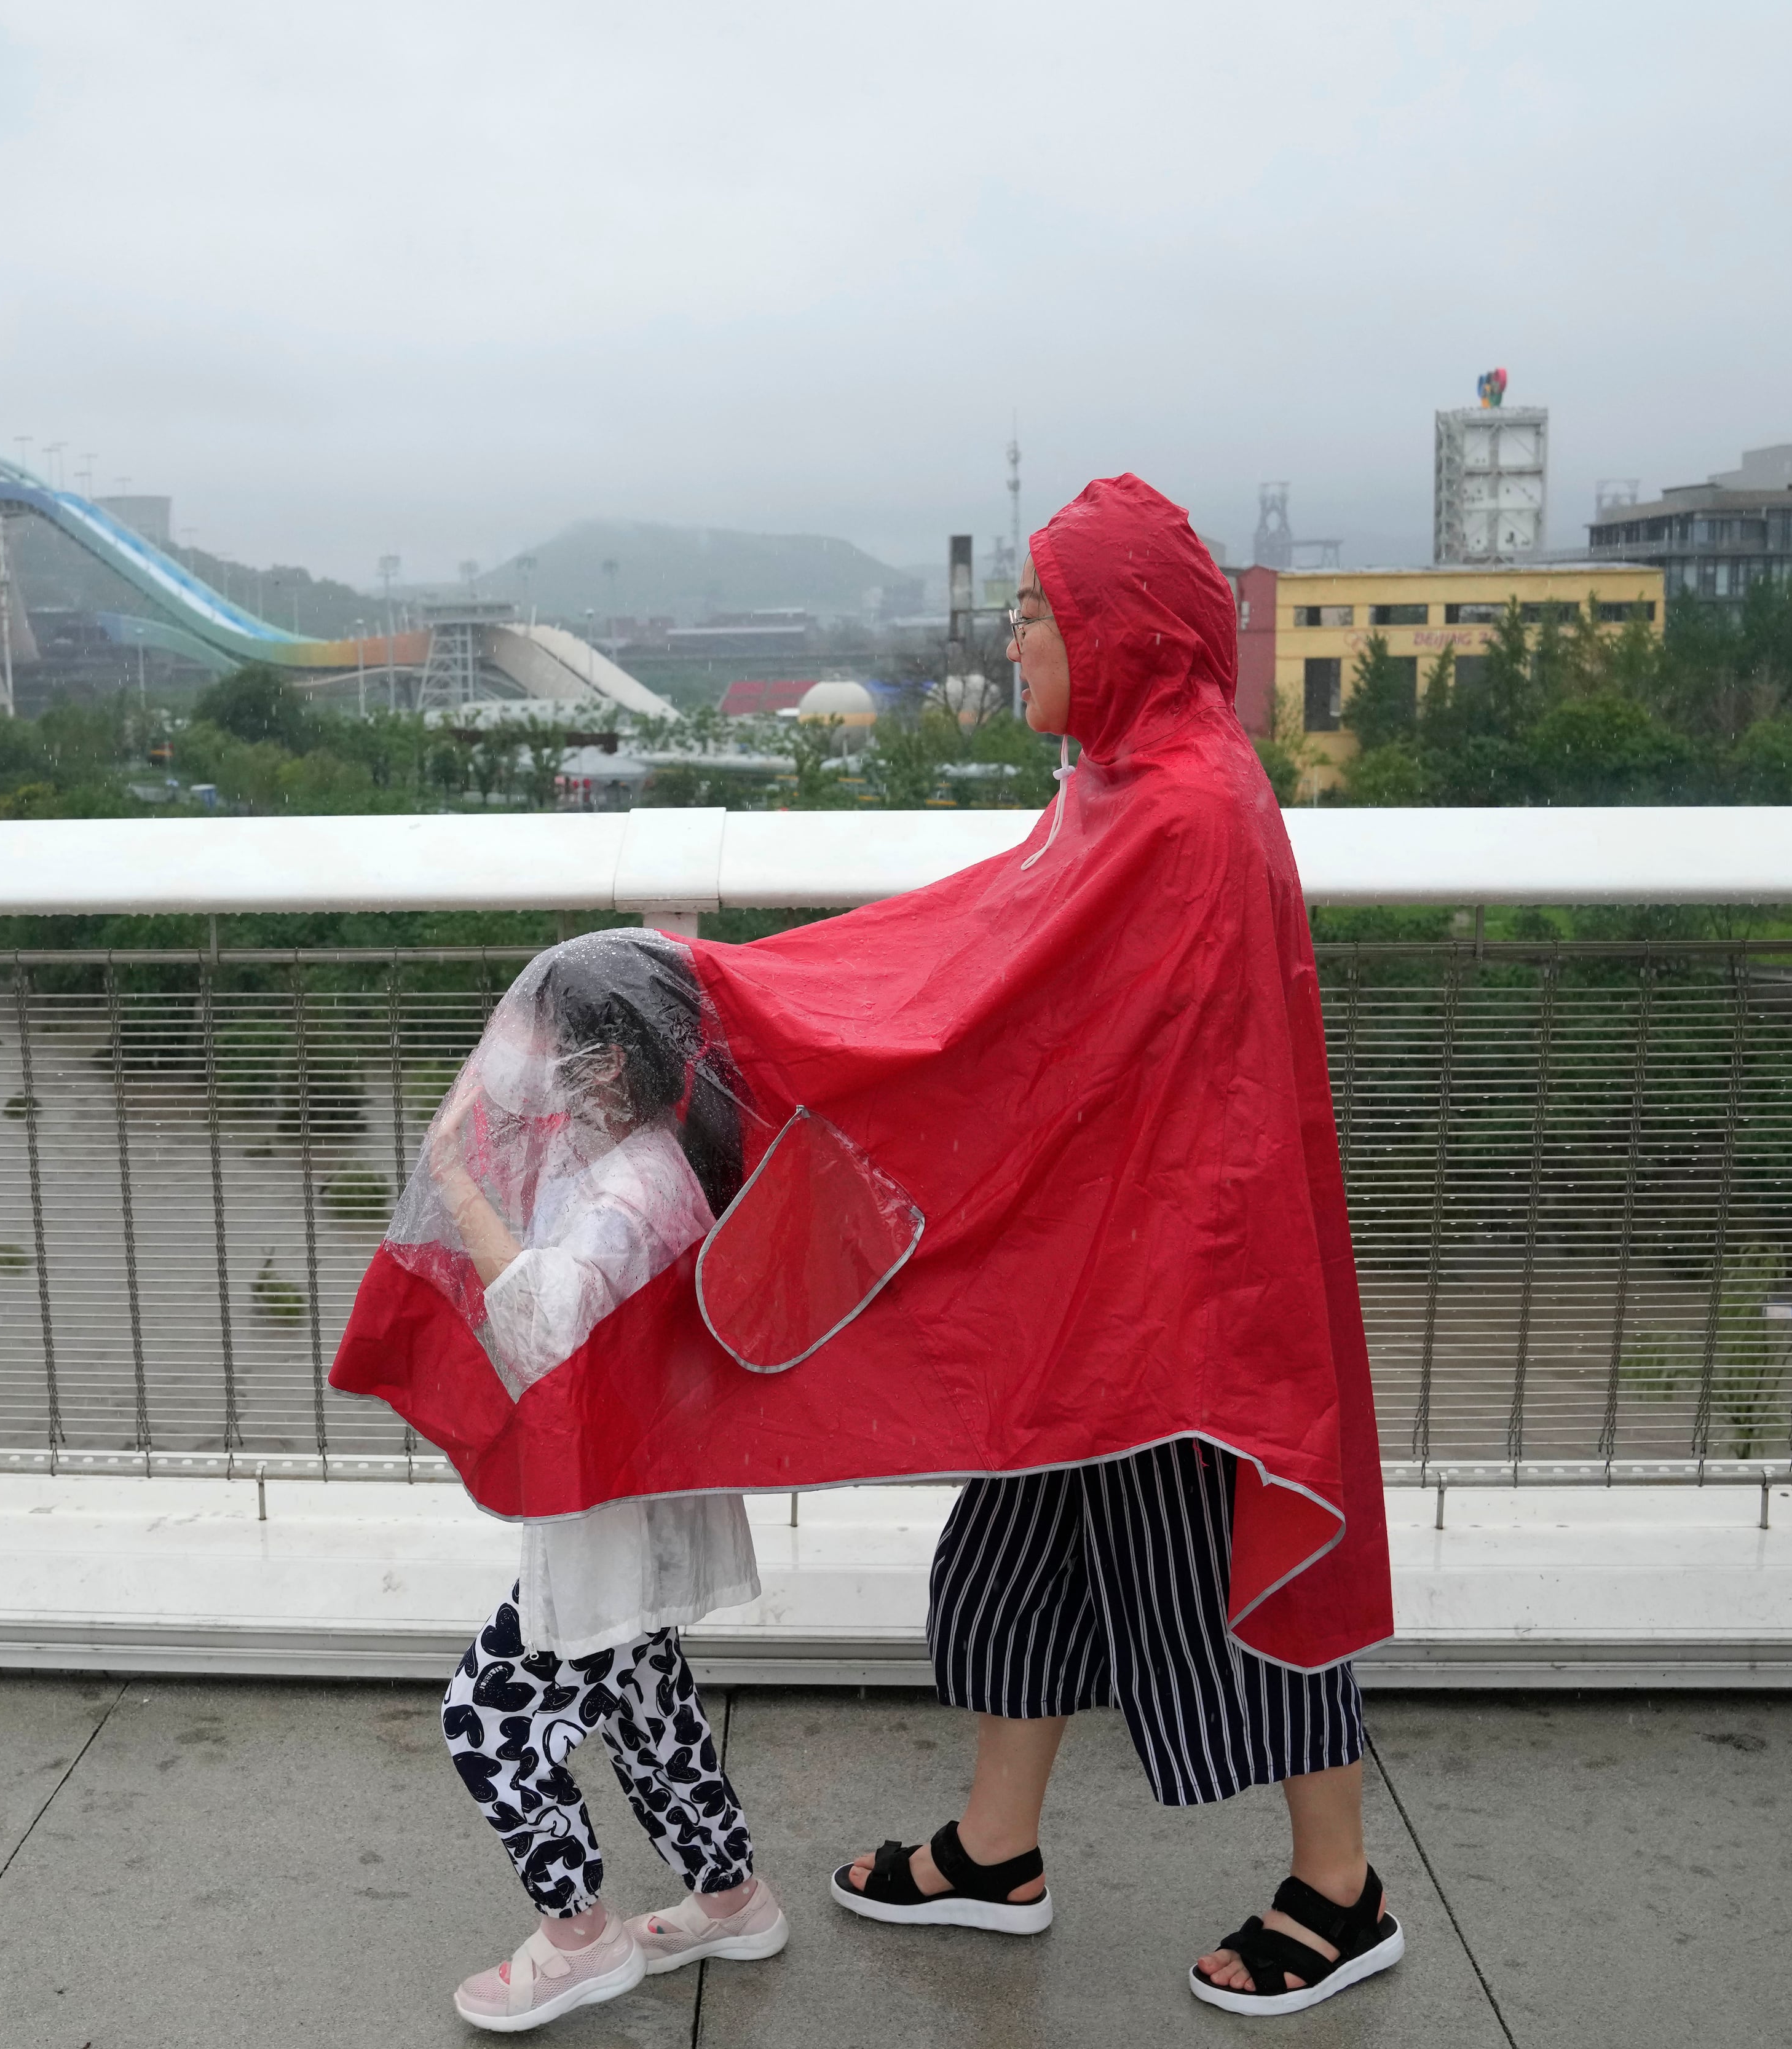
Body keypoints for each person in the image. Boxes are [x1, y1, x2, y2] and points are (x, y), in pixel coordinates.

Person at [827, 520, 1400, 2019]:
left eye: (1035, 613)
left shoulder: (1183, 808)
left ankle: (1341, 1894)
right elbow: (1014, 977)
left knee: (1227, 1577)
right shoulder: (1132, 782)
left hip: (1177, 1296)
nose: (1011, 639)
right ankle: (994, 1848)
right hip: (1101, 1274)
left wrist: (807, 1026)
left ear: (1123, 630)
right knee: (1018, 1557)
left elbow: (999, 1001)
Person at [418, 931, 791, 2034]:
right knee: (643, 1702)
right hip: (647, 1503)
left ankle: (579, 1937)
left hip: (614, 1516)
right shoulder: (651, 1159)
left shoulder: (633, 1191)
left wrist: (451, 1179)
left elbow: (544, 1327)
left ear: (607, 1066)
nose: (526, 1065)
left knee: (484, 1715)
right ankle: (731, 1895)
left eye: (548, 1046)